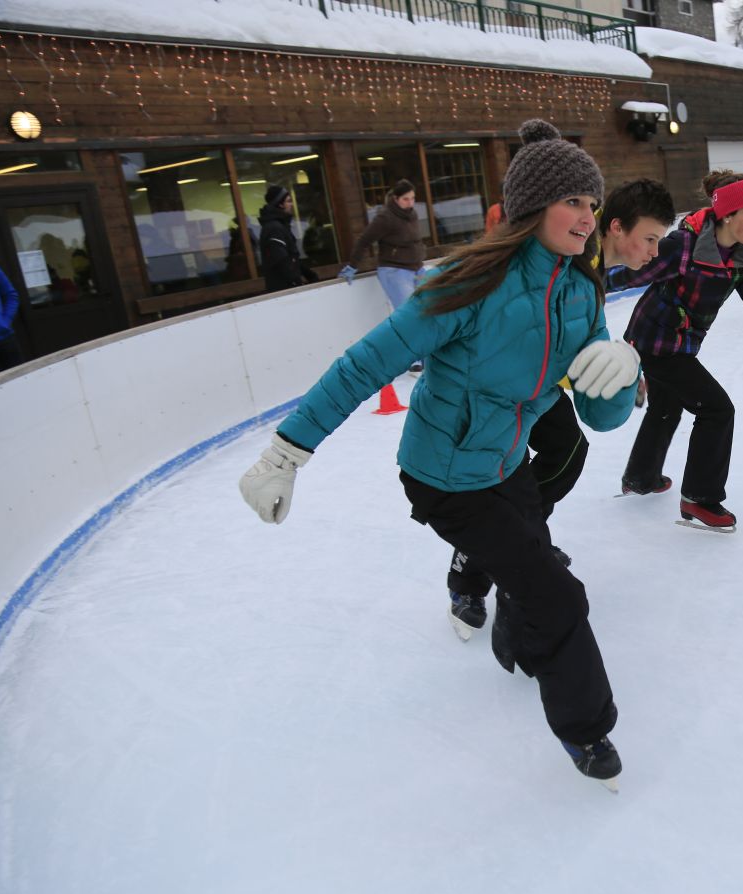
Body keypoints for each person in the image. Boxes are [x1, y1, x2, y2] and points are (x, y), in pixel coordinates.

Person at [238, 119, 641, 787]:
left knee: (532, 566)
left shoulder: (579, 293)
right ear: (533, 207)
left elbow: (601, 418)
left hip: (507, 464)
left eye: (592, 204)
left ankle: (511, 640)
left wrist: (620, 373)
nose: (587, 217)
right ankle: (588, 731)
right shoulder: (471, 282)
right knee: (559, 593)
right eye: (573, 201)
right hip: (445, 475)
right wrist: (285, 454)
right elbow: (365, 364)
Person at [446, 177, 677, 647]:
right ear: (615, 227)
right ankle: (469, 575)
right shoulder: (571, 257)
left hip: (536, 385)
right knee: (516, 474)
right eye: (650, 238)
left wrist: (616, 371)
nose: (655, 251)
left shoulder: (591, 268)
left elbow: (574, 339)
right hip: (492, 386)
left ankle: (524, 538)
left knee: (566, 452)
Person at [614, 171, 743, 531]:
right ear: (728, 214)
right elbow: (626, 273)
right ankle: (700, 497)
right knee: (716, 409)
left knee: (667, 406)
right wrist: (579, 276)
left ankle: (640, 477)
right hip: (655, 341)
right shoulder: (682, 247)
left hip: (679, 343)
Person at [338, 178, 426, 312]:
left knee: (428, 308)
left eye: (413, 198)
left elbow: (415, 241)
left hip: (417, 269)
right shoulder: (385, 218)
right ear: (396, 199)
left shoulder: (412, 214)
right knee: (409, 312)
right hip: (395, 271)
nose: (410, 203)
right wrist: (353, 266)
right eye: (405, 199)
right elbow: (364, 241)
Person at [257, 185, 321, 292]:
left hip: (289, 288)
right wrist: (296, 282)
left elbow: (292, 258)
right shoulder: (274, 228)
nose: (291, 204)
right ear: (280, 204)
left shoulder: (281, 226)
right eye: (288, 201)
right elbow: (282, 260)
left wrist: (308, 274)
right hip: (283, 290)